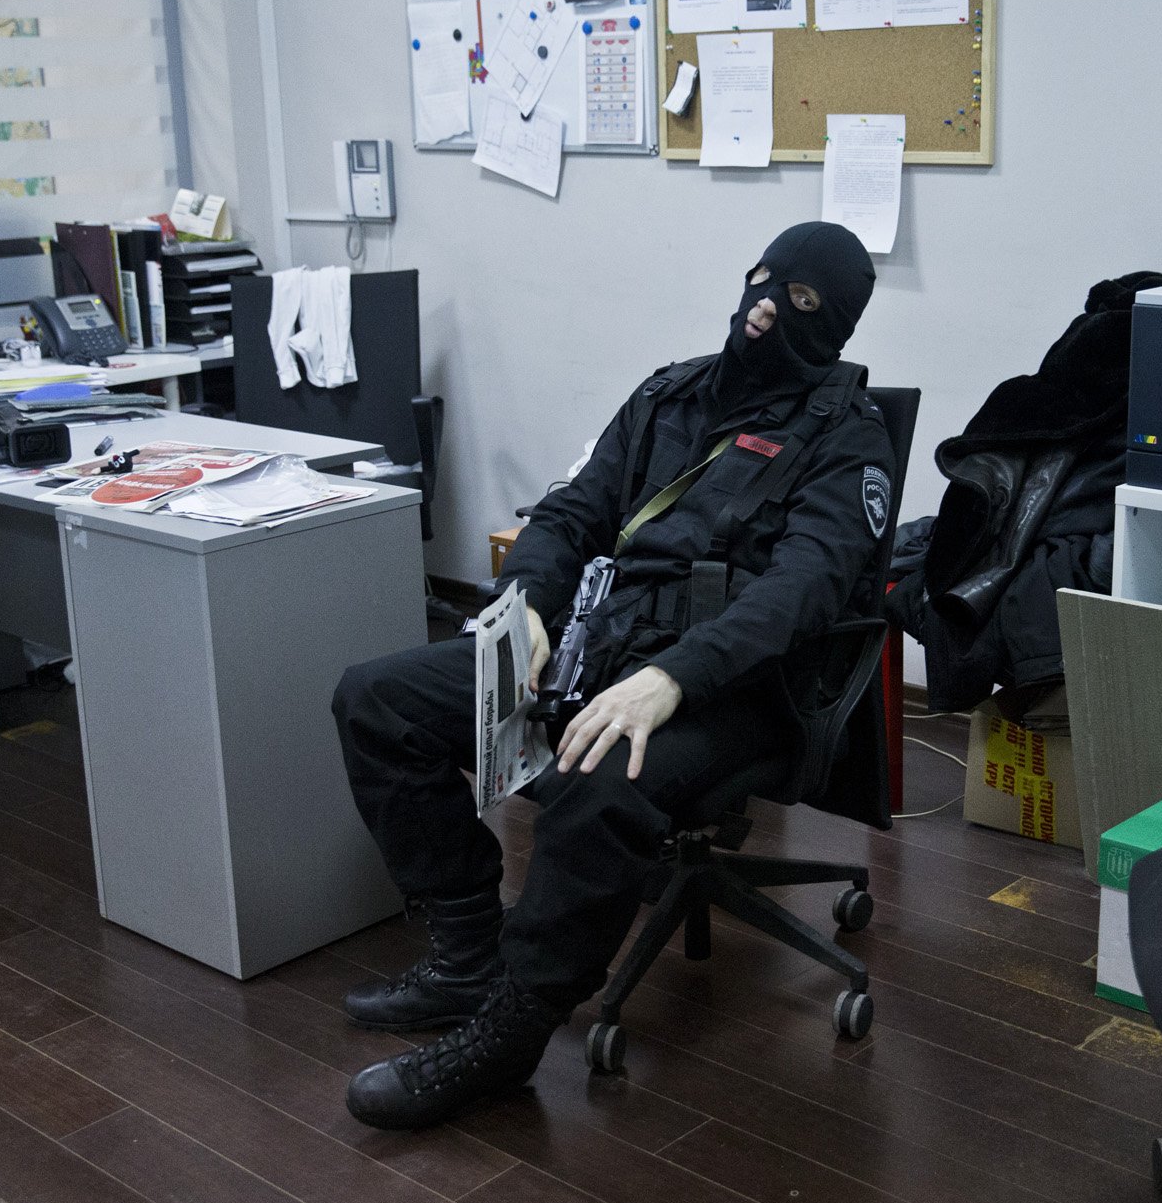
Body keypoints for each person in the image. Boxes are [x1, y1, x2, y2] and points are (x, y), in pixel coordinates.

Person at [332, 221, 894, 1130]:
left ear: (834, 326)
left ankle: (509, 1032)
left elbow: (797, 598)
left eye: (794, 304)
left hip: (735, 692)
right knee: (378, 700)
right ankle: (466, 954)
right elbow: (568, 514)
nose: (760, 315)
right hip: (602, 644)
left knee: (599, 784)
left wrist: (671, 678)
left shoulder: (846, 442)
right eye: (758, 283)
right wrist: (528, 609)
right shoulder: (668, 395)